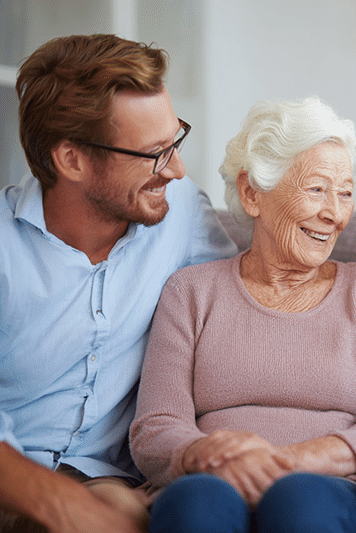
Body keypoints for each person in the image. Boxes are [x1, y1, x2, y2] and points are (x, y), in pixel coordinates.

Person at [129, 96, 356, 533]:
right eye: (317, 189)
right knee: (198, 504)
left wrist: (287, 462)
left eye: (344, 194)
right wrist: (209, 456)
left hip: (321, 484)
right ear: (252, 193)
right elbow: (155, 427)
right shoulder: (191, 291)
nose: (334, 214)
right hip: (209, 481)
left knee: (300, 500)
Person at [0, 34, 237, 533]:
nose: (176, 169)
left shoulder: (180, 214)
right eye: (153, 153)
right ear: (71, 159)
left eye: (176, 140)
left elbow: (238, 310)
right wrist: (71, 511)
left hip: (113, 481)